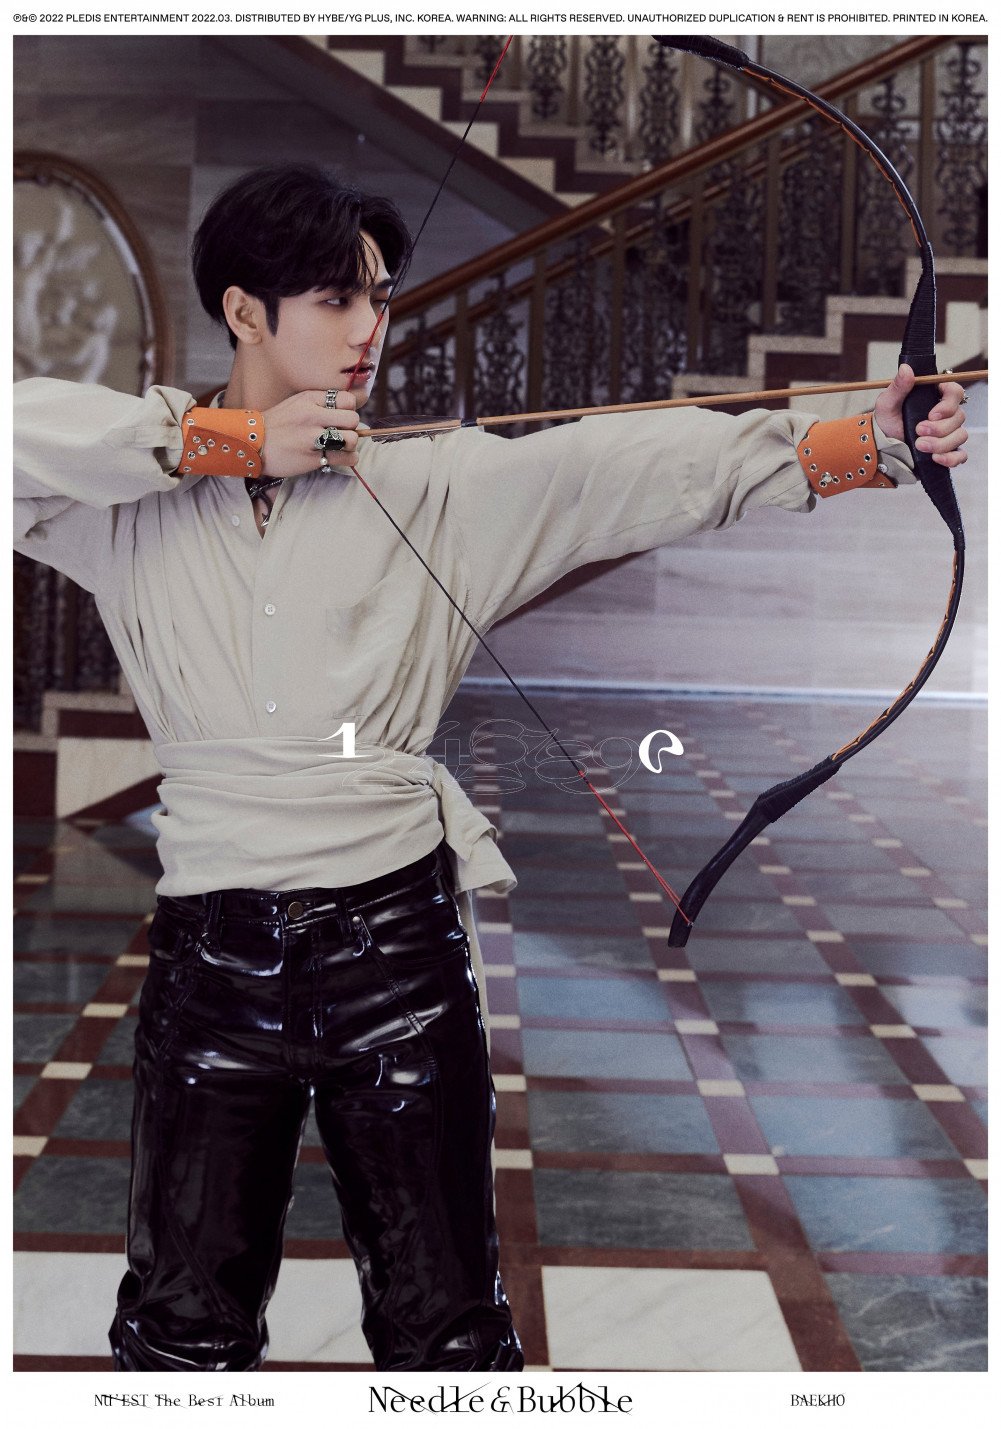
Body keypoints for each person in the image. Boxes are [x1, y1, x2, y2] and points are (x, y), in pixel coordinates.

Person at [13, 164, 970, 1374]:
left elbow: (637, 468)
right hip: (210, 963)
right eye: (335, 299)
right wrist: (223, 442)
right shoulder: (134, 496)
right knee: (178, 1333)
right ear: (245, 312)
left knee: (447, 1335)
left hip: (394, 952)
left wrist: (861, 445)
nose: (369, 328)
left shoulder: (433, 482)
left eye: (378, 297)